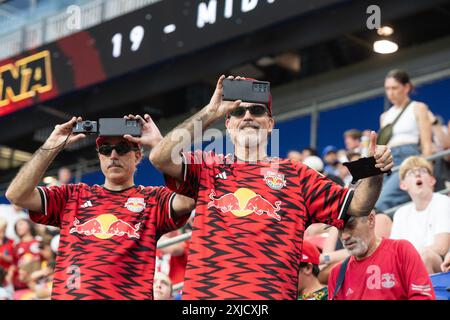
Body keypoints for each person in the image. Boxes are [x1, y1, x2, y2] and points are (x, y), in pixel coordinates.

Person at [148, 75, 393, 299]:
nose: (247, 116)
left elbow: (359, 205)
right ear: (229, 124)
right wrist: (210, 111)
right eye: (238, 111)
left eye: (256, 110)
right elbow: (160, 157)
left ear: (269, 123)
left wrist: (374, 171)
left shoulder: (297, 175)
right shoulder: (206, 167)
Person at [5, 115, 195, 300]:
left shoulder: (153, 199)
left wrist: (159, 145)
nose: (113, 155)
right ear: (99, 156)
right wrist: (51, 146)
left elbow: (187, 200)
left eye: (122, 148)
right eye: (105, 149)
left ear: (137, 155)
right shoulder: (72, 196)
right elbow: (16, 195)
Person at [328, 210, 435, 300]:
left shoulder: (401, 250)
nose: (344, 235)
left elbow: (423, 297)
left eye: (350, 225)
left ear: (370, 220)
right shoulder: (336, 274)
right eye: (339, 228)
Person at [375, 69, 433, 213]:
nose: (390, 93)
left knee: (383, 202)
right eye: (387, 88)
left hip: (409, 158)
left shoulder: (418, 107)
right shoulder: (384, 116)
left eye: (395, 88)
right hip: (387, 161)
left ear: (406, 87)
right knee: (375, 201)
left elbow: (426, 143)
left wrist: (428, 170)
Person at [390, 156, 450, 273]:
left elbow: (441, 247)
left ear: (432, 180)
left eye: (423, 170)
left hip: (441, 265)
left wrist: (407, 259)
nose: (417, 174)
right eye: (411, 173)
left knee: (426, 256)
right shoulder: (400, 213)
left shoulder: (442, 201)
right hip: (408, 267)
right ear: (403, 185)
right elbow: (394, 252)